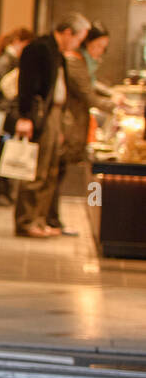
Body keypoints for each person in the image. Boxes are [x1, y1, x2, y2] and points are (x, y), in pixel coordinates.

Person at [11, 13, 89, 239]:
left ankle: (40, 218)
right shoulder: (39, 49)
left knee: (51, 171)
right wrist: (25, 116)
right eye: (78, 39)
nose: (77, 45)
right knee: (37, 170)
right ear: (67, 33)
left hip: (55, 115)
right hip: (41, 115)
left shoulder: (58, 53)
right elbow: (27, 86)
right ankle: (27, 221)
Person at [50, 22, 114, 236]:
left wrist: (113, 96)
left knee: (58, 173)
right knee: (55, 173)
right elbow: (87, 92)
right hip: (67, 125)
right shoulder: (75, 61)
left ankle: (52, 220)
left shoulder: (82, 63)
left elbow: (91, 85)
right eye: (99, 46)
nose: (101, 52)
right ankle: (52, 220)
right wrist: (114, 104)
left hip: (71, 124)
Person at [0, 27, 32, 207]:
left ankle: (3, 190)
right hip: (4, 111)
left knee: (4, 148)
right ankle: (1, 191)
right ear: (18, 41)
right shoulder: (7, 60)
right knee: (4, 149)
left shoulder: (6, 59)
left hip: (3, 111)